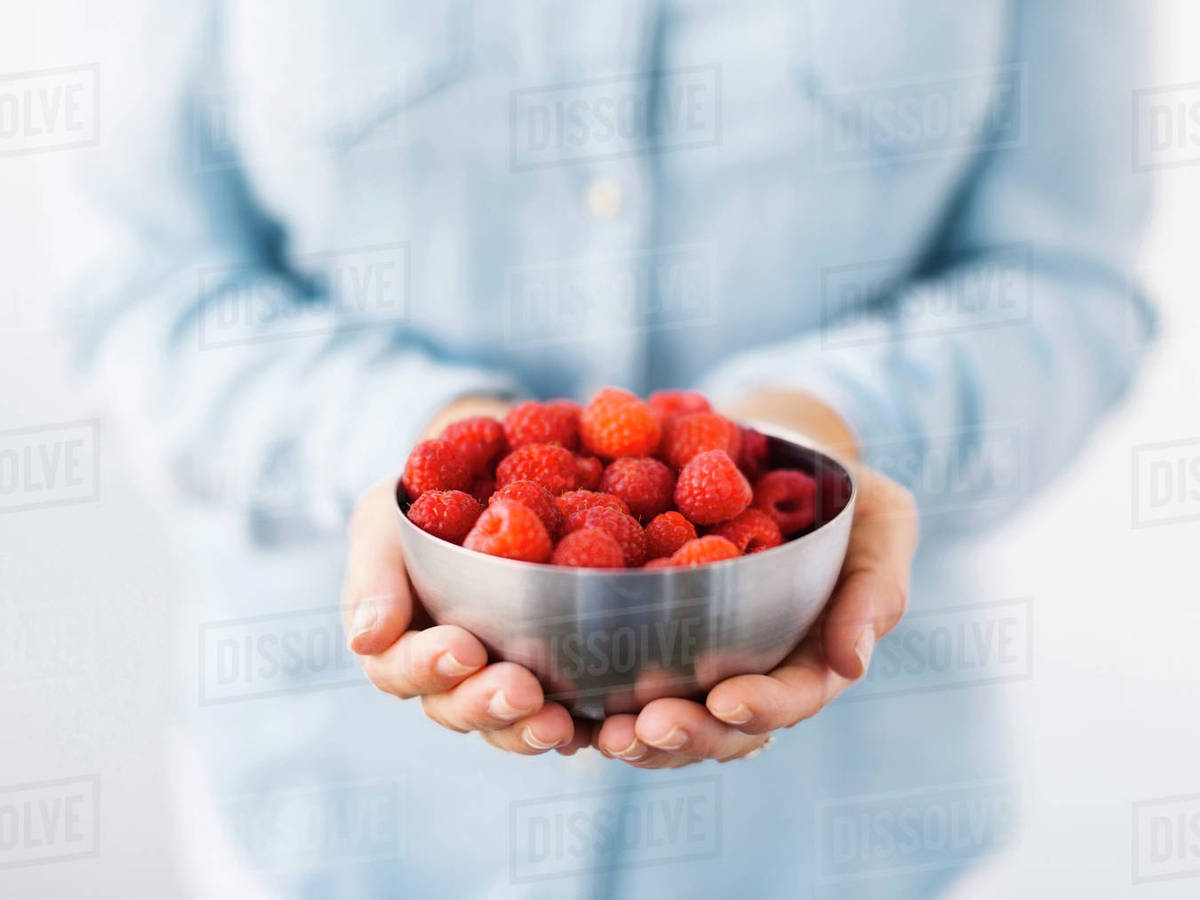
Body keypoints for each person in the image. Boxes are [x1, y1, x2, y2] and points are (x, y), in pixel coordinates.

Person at [76, 1, 1154, 896]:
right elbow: (143, 285)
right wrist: (419, 440)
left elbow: (1065, 279)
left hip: (841, 839)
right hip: (340, 823)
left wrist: (814, 427)